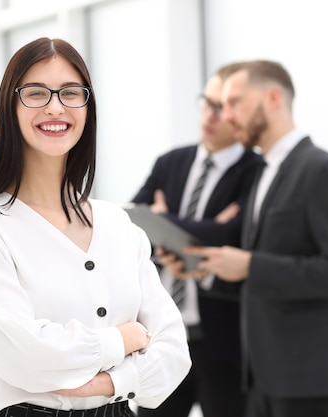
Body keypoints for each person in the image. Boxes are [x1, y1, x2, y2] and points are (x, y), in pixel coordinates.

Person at [0, 37, 191, 417]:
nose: (55, 107)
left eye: (70, 93)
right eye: (36, 93)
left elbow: (174, 351)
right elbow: (24, 355)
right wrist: (122, 339)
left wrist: (112, 382)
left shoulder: (117, 224)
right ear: (9, 107)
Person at [185, 60, 328, 417]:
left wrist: (251, 264)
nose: (226, 114)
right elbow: (262, 274)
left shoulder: (320, 169)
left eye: (235, 102)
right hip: (263, 376)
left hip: (309, 379)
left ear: (274, 97)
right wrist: (210, 270)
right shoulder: (265, 171)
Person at [131, 63, 263, 417]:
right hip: (161, 335)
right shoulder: (171, 162)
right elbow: (131, 227)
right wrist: (192, 232)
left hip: (223, 340)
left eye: (224, 107)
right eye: (207, 103)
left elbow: (234, 238)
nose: (212, 115)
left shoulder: (256, 172)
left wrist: (164, 222)